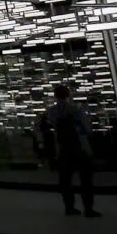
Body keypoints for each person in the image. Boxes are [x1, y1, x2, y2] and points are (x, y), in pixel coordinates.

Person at [40, 85, 100, 218]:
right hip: (79, 148)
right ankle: (88, 208)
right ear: (68, 94)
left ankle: (69, 207)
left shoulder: (51, 111)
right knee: (86, 180)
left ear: (55, 96)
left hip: (62, 149)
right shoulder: (76, 109)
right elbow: (86, 129)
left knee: (65, 180)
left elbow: (47, 127)